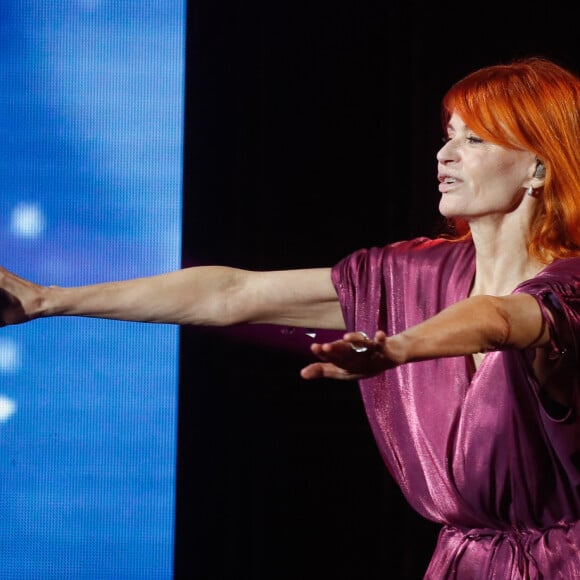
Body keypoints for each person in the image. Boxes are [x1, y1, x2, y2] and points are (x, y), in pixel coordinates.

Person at [1, 55, 580, 578]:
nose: (444, 154)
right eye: (448, 135)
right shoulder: (412, 276)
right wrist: (50, 300)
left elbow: (503, 317)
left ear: (538, 168)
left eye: (475, 140)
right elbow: (230, 294)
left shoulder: (570, 286)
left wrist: (400, 348)